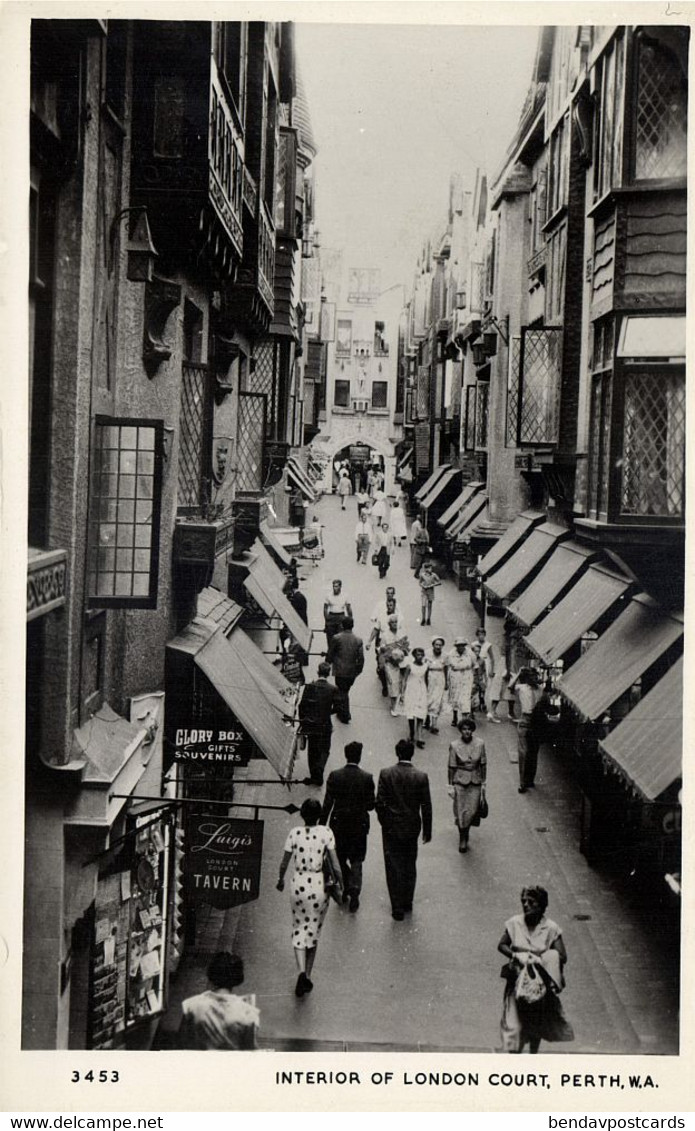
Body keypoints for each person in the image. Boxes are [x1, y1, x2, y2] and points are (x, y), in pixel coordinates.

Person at [277, 798, 343, 997]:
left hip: (298, 883)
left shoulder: (294, 833)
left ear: (302, 814)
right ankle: (308, 976)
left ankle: (301, 971)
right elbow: (336, 865)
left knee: (298, 926)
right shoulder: (326, 833)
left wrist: (280, 880)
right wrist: (341, 885)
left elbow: (284, 863)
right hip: (318, 885)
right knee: (313, 929)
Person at [498, 887, 573, 1053]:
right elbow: (502, 945)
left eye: (531, 902)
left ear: (542, 906)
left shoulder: (551, 928)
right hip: (516, 982)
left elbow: (562, 956)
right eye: (523, 901)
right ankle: (514, 1056)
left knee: (536, 1023)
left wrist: (542, 959)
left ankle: (533, 1054)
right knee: (514, 1021)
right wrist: (516, 955)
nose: (526, 905)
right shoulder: (514, 923)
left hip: (540, 984)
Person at [376, 739, 432, 920]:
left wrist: (385, 822)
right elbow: (426, 805)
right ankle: (407, 900)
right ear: (411, 754)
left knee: (393, 865)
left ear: (397, 753)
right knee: (409, 863)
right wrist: (427, 830)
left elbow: (379, 803)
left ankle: (396, 906)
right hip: (412, 826)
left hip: (391, 826)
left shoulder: (386, 774)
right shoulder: (421, 776)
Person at [321, 741, 376, 913]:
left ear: (346, 756)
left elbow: (328, 802)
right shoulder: (367, 778)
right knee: (357, 859)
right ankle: (355, 893)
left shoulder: (335, 775)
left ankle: (344, 888)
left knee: (340, 857)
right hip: (359, 825)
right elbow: (370, 806)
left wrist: (322, 824)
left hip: (339, 824)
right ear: (359, 756)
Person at [179, 952, 259, 1050]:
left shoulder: (191, 1005)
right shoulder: (249, 1013)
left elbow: (182, 1044)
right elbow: (250, 1051)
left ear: (211, 974)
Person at [448, 716, 487, 853]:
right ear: (460, 731)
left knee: (471, 811)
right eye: (464, 729)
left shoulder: (480, 743)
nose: (467, 732)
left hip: (475, 781)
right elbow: (451, 766)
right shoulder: (454, 745)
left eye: (469, 729)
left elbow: (483, 764)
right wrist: (450, 785)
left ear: (472, 730)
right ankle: (462, 838)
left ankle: (466, 830)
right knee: (460, 811)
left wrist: (483, 782)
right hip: (460, 780)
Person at [298, 661, 339, 786]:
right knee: (325, 749)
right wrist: (327, 712)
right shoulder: (333, 689)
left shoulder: (310, 687)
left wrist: (303, 722)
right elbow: (337, 707)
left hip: (311, 724)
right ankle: (320, 767)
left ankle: (314, 775)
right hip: (325, 724)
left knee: (312, 750)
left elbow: (301, 706)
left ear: (318, 672)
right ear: (328, 674)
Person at [325, 616, 365, 724]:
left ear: (342, 625)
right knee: (344, 691)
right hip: (351, 672)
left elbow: (330, 653)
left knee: (342, 691)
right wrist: (357, 671)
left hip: (340, 670)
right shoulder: (358, 640)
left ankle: (345, 714)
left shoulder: (336, 638)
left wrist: (327, 663)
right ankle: (340, 710)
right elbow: (361, 659)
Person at [508, 667, 542, 793]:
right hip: (525, 720)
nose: (534, 678)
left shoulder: (541, 690)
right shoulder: (521, 688)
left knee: (534, 752)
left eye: (535, 676)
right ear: (527, 678)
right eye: (532, 676)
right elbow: (510, 687)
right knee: (523, 752)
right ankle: (522, 782)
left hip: (536, 721)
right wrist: (518, 673)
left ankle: (530, 780)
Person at [366, 593, 406, 696]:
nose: (389, 607)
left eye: (391, 605)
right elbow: (376, 629)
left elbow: (403, 633)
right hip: (383, 642)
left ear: (394, 606)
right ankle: (384, 686)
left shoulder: (399, 618)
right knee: (382, 666)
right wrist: (369, 642)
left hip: (396, 644)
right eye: (388, 605)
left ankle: (398, 687)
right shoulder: (382, 616)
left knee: (398, 665)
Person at [377, 614, 410, 714]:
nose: (395, 624)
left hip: (402, 662)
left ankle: (400, 702)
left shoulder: (402, 633)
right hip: (390, 663)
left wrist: (403, 650)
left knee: (402, 682)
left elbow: (408, 646)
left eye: (396, 622)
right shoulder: (385, 635)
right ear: (389, 624)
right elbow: (381, 649)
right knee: (393, 684)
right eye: (392, 622)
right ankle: (393, 707)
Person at [399, 646, 430, 748]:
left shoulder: (426, 666)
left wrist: (427, 692)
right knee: (411, 713)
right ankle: (412, 732)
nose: (420, 657)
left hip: (421, 691)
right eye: (418, 655)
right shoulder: (410, 666)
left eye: (421, 655)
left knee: (420, 713)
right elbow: (404, 679)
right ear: (414, 656)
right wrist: (402, 693)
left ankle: (420, 736)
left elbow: (426, 680)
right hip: (411, 691)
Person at [446, 637, 475, 728]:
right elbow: (451, 665)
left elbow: (474, 664)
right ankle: (455, 717)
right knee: (455, 697)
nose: (461, 647)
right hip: (455, 677)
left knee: (465, 697)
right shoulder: (451, 653)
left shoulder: (470, 653)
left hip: (466, 677)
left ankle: (464, 719)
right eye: (459, 645)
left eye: (462, 645)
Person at [424, 636, 448, 734]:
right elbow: (425, 668)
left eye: (440, 645)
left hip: (440, 678)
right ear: (433, 645)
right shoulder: (427, 653)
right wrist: (425, 681)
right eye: (436, 644)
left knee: (437, 701)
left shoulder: (445, 655)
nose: (438, 647)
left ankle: (434, 724)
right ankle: (427, 719)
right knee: (428, 699)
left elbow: (446, 669)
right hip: (430, 677)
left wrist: (446, 682)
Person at [323, 579, 353, 645]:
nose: (334, 588)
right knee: (330, 638)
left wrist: (350, 621)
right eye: (333, 586)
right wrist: (327, 620)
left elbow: (349, 609)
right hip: (331, 616)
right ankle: (331, 653)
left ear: (340, 587)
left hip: (341, 617)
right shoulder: (328, 595)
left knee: (341, 637)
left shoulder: (345, 595)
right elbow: (325, 608)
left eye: (336, 586)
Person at [418, 557, 441, 625]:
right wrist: (423, 585)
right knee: (423, 605)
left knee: (430, 605)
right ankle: (423, 618)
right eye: (430, 568)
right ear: (426, 569)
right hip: (424, 591)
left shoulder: (434, 575)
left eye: (431, 568)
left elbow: (439, 582)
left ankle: (428, 619)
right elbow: (420, 582)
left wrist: (432, 585)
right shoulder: (422, 575)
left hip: (430, 591)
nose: (431, 569)